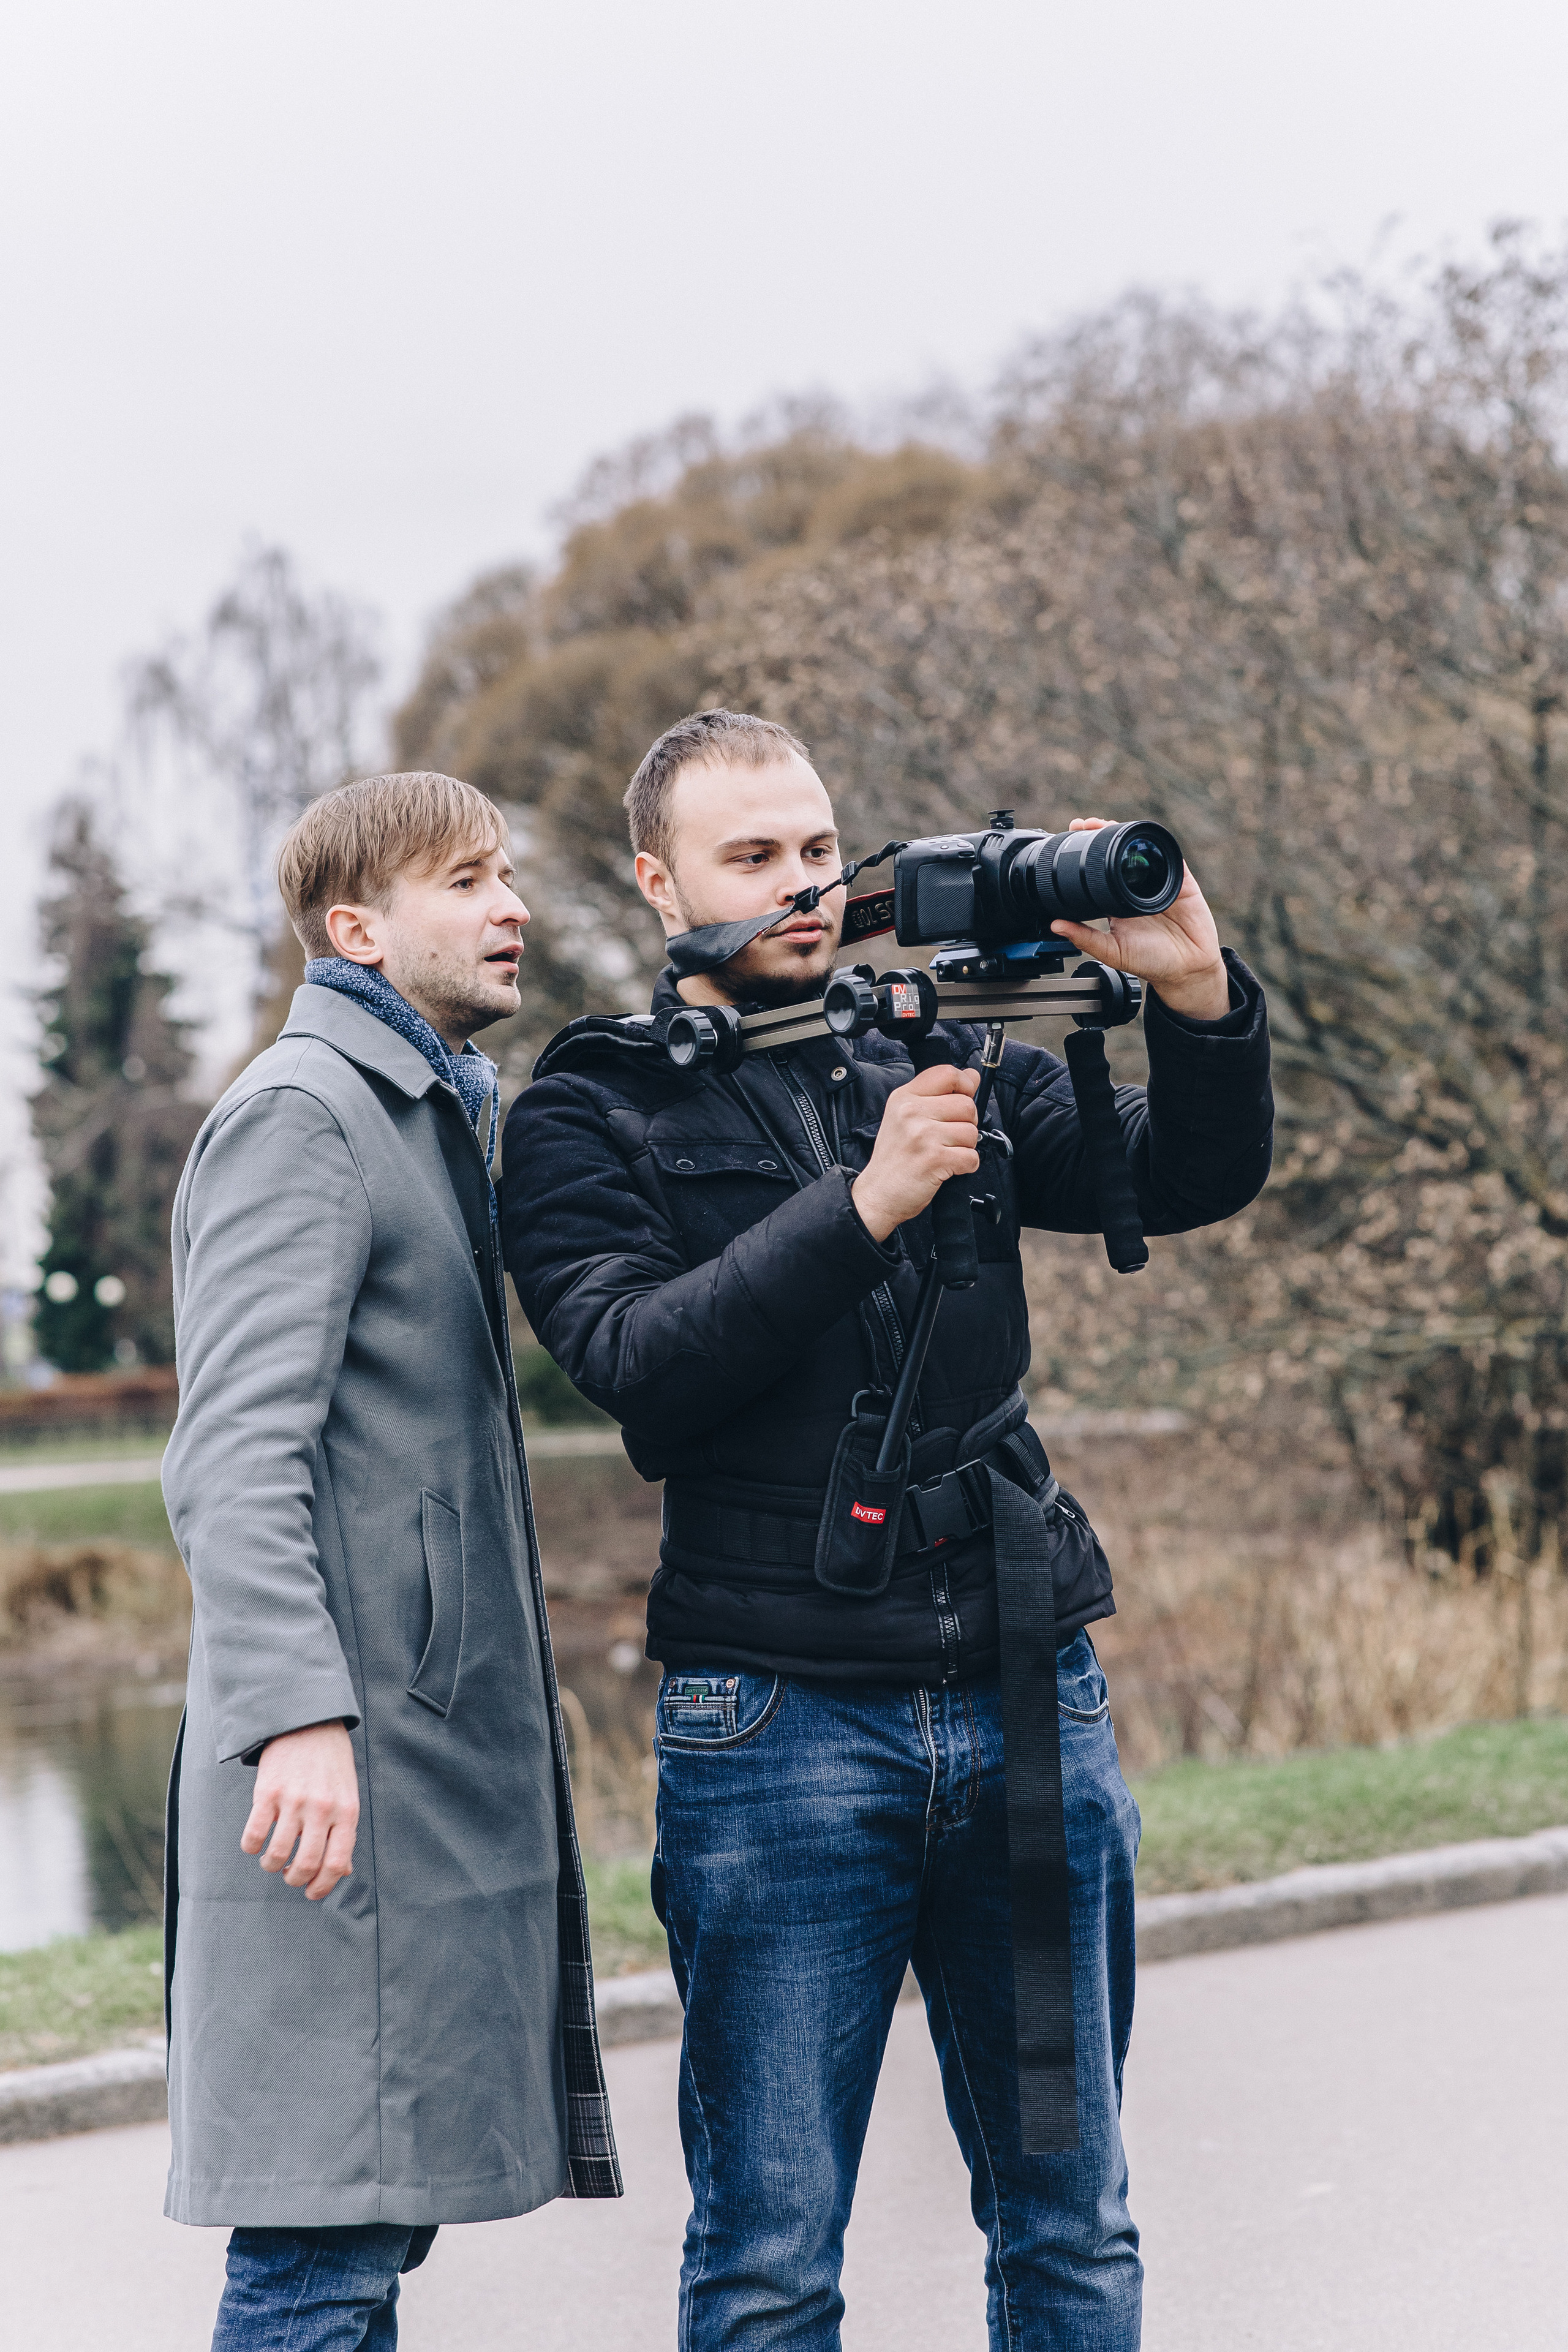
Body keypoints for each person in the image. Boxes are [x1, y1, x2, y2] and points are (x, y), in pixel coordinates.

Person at [502, 710, 1274, 2351]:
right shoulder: (586, 1108)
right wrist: (864, 1206)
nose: (800, 885)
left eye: (815, 847)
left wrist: (1201, 995)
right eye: (750, 857)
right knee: (772, 2258)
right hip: (774, 1722)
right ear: (657, 882)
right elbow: (636, 1365)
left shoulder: (943, 1046)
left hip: (1023, 1686)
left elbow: (1178, 1177)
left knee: (1072, 2226)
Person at [160, 771, 620, 2352]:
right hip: (336, 1774)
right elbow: (232, 1453)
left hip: (404, 1772)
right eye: (468, 880)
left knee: (368, 2223)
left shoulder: (422, 1108)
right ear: (358, 930)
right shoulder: (304, 1116)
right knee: (322, 2237)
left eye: (509, 875)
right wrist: (296, 1711)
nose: (513, 908)